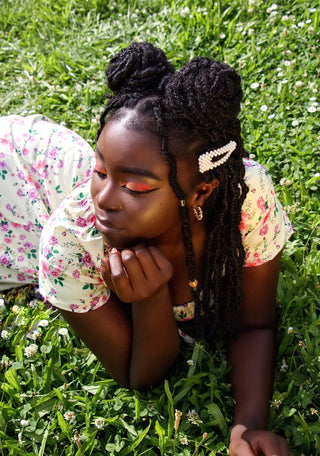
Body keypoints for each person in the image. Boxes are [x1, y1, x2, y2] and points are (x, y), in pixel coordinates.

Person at [0, 42, 294, 455]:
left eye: (135, 186)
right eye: (100, 170)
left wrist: (247, 426)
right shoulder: (70, 246)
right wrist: (149, 299)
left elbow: (255, 323)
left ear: (202, 191)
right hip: (14, 190)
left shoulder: (244, 198)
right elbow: (139, 376)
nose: (103, 198)